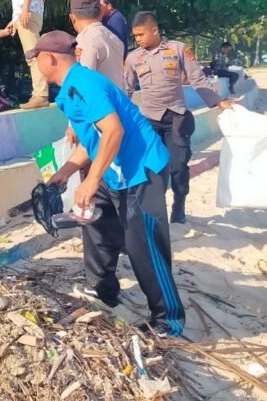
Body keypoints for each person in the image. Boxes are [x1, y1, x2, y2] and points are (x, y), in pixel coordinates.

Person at [30, 31, 184, 337]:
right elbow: (94, 139)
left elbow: (113, 131)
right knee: (97, 227)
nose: (33, 66)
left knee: (143, 246)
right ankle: (102, 290)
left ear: (48, 58)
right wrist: (68, 170)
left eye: (35, 59)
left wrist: (92, 180)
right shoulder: (71, 89)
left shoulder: (84, 84)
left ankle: (169, 319)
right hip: (116, 171)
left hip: (141, 170)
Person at [125, 12, 233, 224]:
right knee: (153, 167)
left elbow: (197, 78)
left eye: (140, 34)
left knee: (178, 166)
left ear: (154, 30)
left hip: (176, 117)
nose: (137, 39)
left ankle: (179, 204)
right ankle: (156, 210)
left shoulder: (178, 49)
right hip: (149, 121)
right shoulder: (133, 58)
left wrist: (218, 101)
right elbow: (126, 89)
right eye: (135, 36)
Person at [5, 0, 47, 109]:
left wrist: (24, 11)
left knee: (32, 56)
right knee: (32, 55)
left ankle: (41, 94)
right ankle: (39, 93)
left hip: (28, 14)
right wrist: (15, 18)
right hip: (26, 14)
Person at [70, 0, 124, 89]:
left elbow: (85, 82)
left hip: (100, 101)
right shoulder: (114, 38)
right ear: (100, 14)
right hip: (119, 100)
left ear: (72, 18)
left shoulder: (85, 39)